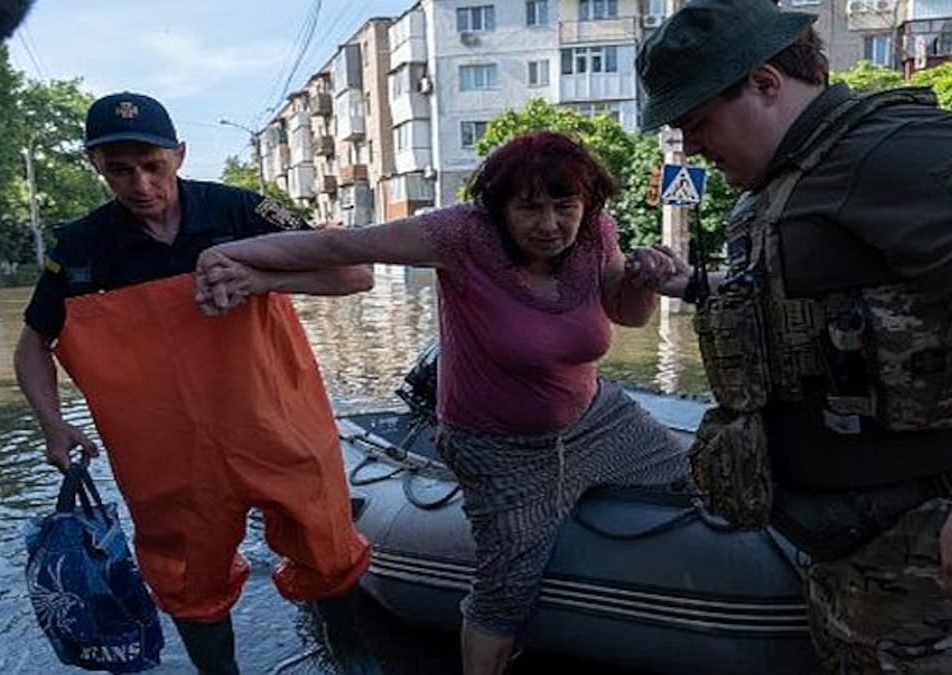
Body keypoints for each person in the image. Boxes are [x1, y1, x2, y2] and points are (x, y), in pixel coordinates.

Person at [635, 1, 952, 672]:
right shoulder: (784, 184)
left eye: (699, 122)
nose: (694, 145)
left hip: (940, 539)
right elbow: (818, 312)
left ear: (767, 84)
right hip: (869, 551)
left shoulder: (896, 148)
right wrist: (691, 288)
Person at [193, 131, 693, 675]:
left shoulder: (598, 232)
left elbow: (628, 314)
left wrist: (647, 282)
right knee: (506, 592)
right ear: (499, 207)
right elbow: (345, 247)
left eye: (564, 206)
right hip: (499, 446)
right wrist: (228, 255)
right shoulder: (460, 235)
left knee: (692, 483)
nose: (549, 225)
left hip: (597, 419)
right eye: (529, 208)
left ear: (585, 204)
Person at [13, 91, 377, 675]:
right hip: (166, 455)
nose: (140, 184)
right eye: (120, 170)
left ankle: (354, 656)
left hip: (279, 425)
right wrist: (52, 424)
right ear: (96, 166)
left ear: (178, 154)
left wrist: (258, 276)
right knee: (185, 576)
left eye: (153, 165)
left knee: (327, 547)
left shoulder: (243, 211)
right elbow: (34, 343)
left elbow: (353, 274)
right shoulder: (80, 249)